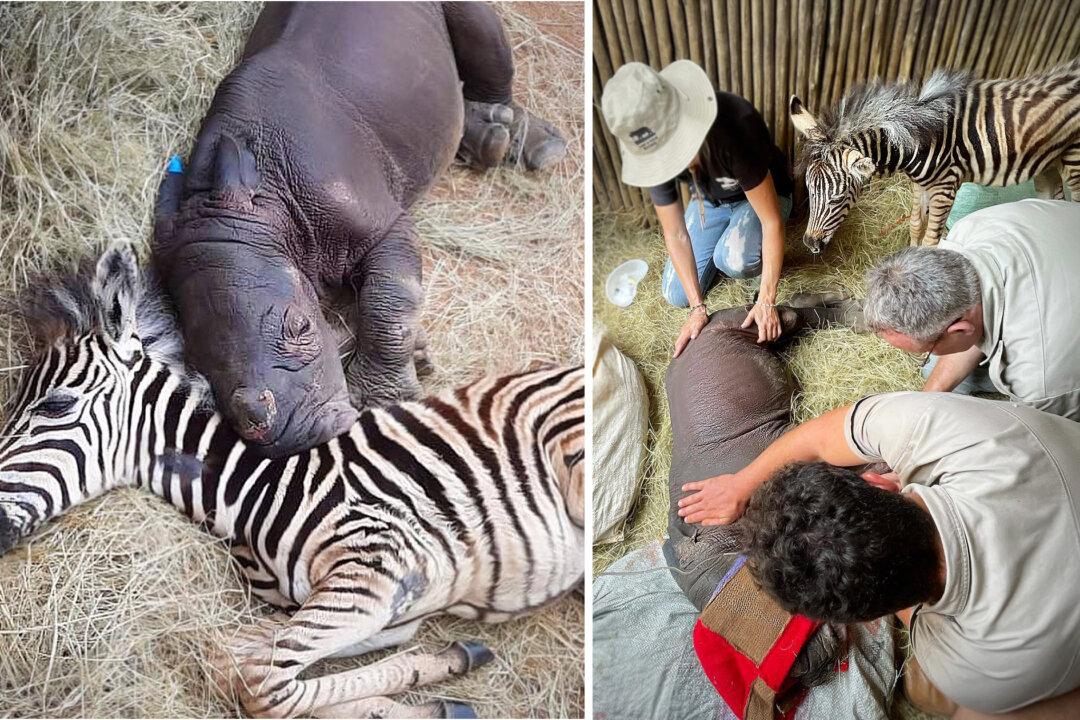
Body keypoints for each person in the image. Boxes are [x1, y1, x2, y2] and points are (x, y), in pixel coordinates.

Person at [678, 391, 1080, 718]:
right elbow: (822, 437)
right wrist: (744, 484)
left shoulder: (969, 674)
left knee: (925, 695)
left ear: (870, 618)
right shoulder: (956, 431)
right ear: (879, 481)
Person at [600, 60, 794, 353]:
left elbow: (771, 221)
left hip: (760, 198)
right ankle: (717, 250)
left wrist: (766, 299)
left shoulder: (733, 126)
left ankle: (729, 252)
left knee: (734, 261)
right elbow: (675, 233)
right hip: (711, 201)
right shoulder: (651, 149)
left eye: (675, 148)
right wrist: (697, 307)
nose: (671, 161)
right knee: (675, 293)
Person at [863, 199, 1080, 420]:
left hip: (1058, 356)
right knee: (935, 374)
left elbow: (1056, 440)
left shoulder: (1039, 381)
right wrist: (924, 408)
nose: (928, 355)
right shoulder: (966, 231)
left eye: (926, 350)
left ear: (960, 330)